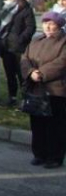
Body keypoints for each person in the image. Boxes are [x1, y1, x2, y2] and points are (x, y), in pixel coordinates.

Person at [20, 12, 66, 169]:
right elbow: (24, 58)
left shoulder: (63, 42)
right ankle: (39, 154)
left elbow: (61, 63)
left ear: (59, 26)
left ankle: (55, 156)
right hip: (36, 88)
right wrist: (31, 72)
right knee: (37, 123)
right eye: (45, 22)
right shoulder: (36, 40)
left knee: (55, 125)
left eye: (51, 23)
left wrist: (42, 73)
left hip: (55, 89)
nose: (47, 26)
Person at [0, 0, 37, 107]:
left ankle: (26, 99)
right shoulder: (4, 8)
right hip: (6, 46)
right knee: (10, 74)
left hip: (19, 47)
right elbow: (0, 26)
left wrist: (21, 39)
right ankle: (12, 97)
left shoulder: (25, 9)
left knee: (22, 74)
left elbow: (31, 27)